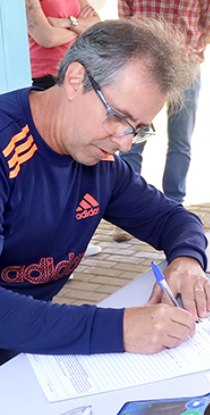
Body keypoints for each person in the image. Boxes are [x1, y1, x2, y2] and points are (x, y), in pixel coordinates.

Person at [0, 19, 210, 366]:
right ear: (75, 79)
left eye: (138, 129)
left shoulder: (100, 164)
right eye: (118, 116)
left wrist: (187, 261)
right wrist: (122, 329)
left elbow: (172, 218)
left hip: (24, 355)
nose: (123, 142)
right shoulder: (6, 144)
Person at [116, 0, 210, 211]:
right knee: (175, 141)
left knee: (132, 137)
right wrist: (190, 44)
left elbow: (125, 15)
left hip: (147, 61)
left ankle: (129, 208)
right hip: (176, 60)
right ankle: (170, 207)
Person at [25, 0, 103, 256]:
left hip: (73, 79)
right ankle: (45, 247)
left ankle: (72, 240)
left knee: (73, 163)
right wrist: (77, 26)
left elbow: (96, 25)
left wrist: (66, 24)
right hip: (43, 81)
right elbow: (45, 37)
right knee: (46, 168)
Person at [25, 0, 100, 90]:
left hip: (79, 71)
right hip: (48, 77)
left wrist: (67, 23)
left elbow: (97, 26)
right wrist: (79, 27)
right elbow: (48, 38)